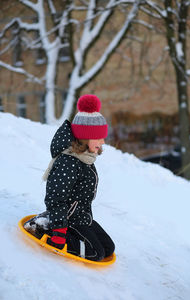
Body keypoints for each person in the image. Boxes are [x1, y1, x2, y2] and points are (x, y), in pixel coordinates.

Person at [42, 94, 115, 261]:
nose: (103, 142)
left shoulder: (86, 159)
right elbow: (55, 197)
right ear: (84, 137)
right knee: (95, 253)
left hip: (82, 217)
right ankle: (45, 227)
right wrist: (59, 231)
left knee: (108, 248)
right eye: (98, 137)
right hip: (66, 220)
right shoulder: (68, 162)